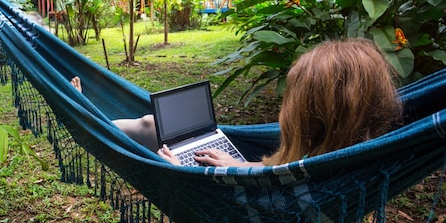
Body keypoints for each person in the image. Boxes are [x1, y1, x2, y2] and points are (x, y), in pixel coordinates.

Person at [72, 38, 403, 167]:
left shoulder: (313, 170)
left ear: (312, 116)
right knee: (153, 123)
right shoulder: (342, 157)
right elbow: (282, 170)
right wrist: (240, 166)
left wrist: (179, 173)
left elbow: (269, 190)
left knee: (153, 127)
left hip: (212, 180)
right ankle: (88, 115)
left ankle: (83, 115)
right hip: (243, 168)